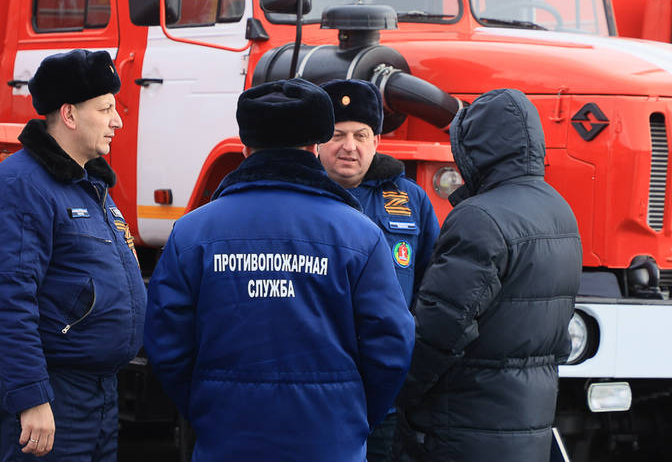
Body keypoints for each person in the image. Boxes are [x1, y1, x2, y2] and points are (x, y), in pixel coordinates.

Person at [143, 78, 415, 462]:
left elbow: (166, 341)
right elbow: (391, 346)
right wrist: (351, 416)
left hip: (226, 439)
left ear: (244, 147)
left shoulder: (193, 232)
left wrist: (207, 409)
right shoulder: (360, 234)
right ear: (315, 147)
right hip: (331, 442)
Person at [0, 49, 147, 461]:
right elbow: (6, 299)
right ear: (69, 115)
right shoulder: (20, 186)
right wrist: (32, 398)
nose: (117, 121)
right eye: (105, 109)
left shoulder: (88, 185)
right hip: (53, 397)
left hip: (97, 394)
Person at [392, 88, 582, 462]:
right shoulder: (560, 211)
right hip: (527, 425)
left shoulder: (480, 218)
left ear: (476, 149)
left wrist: (399, 391)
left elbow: (441, 329)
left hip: (460, 427)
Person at [317, 79, 439, 462]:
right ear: (317, 141)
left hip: (386, 392)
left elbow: (430, 282)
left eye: (361, 135)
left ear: (377, 142)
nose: (349, 147)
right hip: (317, 388)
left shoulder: (409, 199)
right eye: (337, 135)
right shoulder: (299, 197)